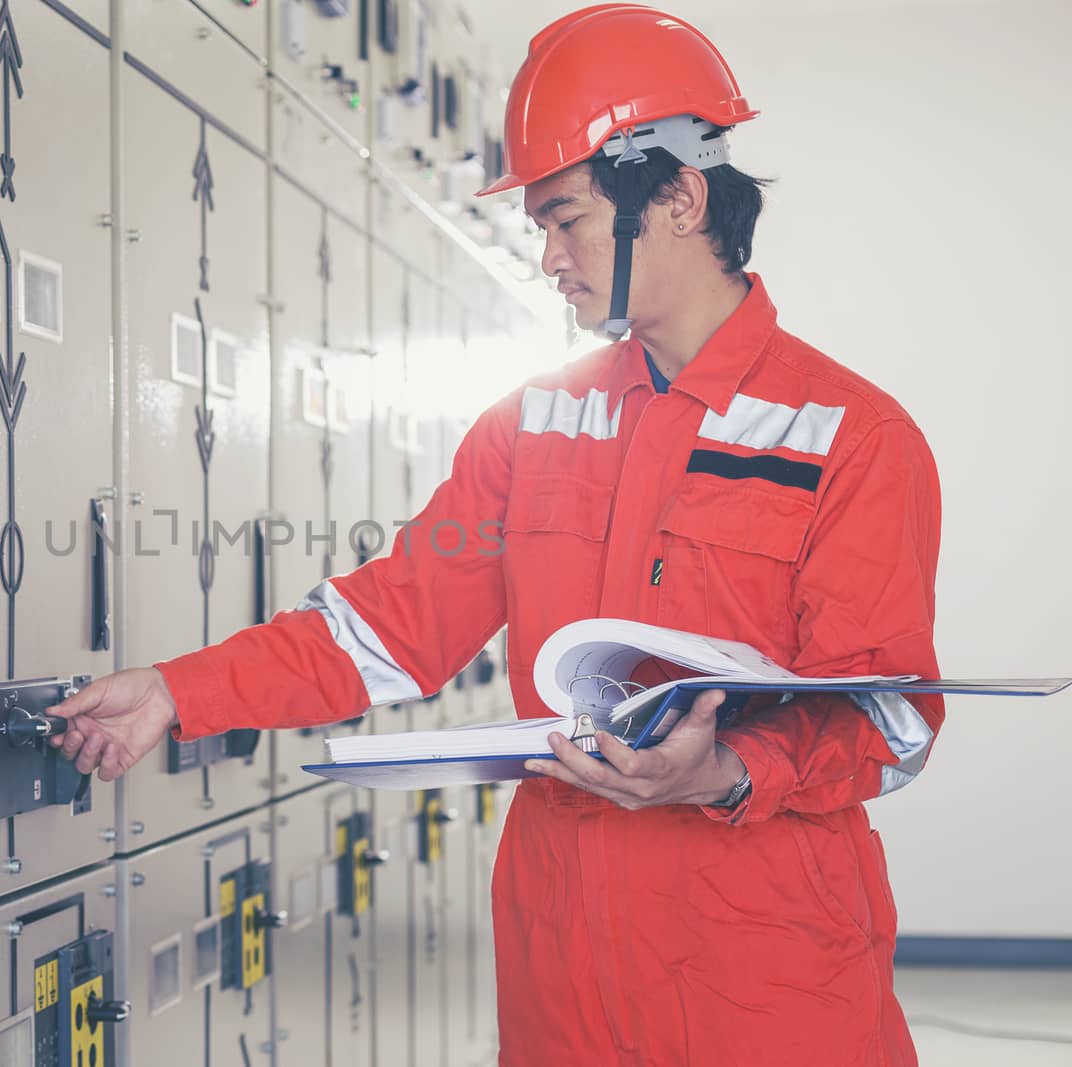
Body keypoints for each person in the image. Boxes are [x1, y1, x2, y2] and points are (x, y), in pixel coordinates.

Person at [50, 5, 943, 1063]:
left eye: (563, 218)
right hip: (564, 962)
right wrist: (180, 689)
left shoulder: (849, 433)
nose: (547, 257)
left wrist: (723, 771)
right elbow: (390, 623)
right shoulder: (535, 417)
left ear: (675, 196)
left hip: (763, 973)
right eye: (537, 227)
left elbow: (890, 720)